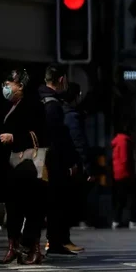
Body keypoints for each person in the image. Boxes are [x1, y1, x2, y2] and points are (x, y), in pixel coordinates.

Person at [0, 68, 49, 265]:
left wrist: (15, 137)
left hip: (29, 165)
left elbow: (42, 135)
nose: (6, 87)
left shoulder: (33, 104)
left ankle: (34, 249)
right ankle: (13, 247)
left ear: (20, 86)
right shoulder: (8, 105)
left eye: (9, 84)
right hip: (13, 166)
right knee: (13, 208)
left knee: (32, 207)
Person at [39, 65, 80, 255]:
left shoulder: (37, 99)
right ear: (62, 80)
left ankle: (49, 243)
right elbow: (59, 136)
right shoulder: (53, 104)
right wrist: (70, 161)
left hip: (36, 157)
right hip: (52, 160)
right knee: (55, 202)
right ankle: (53, 243)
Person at [62, 82, 93, 230]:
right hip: (72, 164)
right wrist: (87, 167)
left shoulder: (61, 112)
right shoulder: (72, 117)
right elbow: (79, 143)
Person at [111, 125, 135, 229]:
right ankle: (130, 220)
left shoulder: (117, 141)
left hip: (117, 174)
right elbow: (125, 159)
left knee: (120, 199)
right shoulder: (124, 141)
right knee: (129, 198)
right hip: (125, 174)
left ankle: (117, 220)